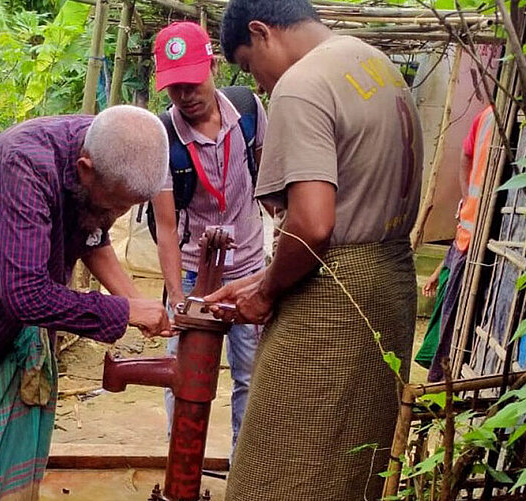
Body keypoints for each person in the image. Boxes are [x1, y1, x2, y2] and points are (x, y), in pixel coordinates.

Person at [207, 0, 423, 499]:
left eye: (246, 67)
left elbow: (313, 224)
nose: (258, 85)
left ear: (262, 33)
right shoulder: (375, 64)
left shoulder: (302, 86)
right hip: (389, 290)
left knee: (283, 466)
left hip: (332, 305)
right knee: (351, 466)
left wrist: (265, 295)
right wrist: (261, 278)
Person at [0, 106, 172, 500]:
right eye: (114, 206)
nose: (116, 215)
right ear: (85, 169)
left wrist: (136, 303)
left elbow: (94, 236)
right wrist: (122, 312)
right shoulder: (26, 164)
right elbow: (25, 294)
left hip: (29, 296)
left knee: (23, 425)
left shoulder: (107, 150)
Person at [149, 21, 268, 455]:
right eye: (174, 86)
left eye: (193, 80)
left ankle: (243, 468)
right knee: (182, 372)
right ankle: (179, 460)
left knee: (251, 375)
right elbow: (165, 225)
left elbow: (272, 187)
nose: (185, 95)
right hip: (192, 272)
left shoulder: (250, 112)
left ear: (213, 65)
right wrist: (178, 297)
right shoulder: (164, 138)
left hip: (250, 267)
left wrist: (274, 273)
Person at [416, 105, 495, 381]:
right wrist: (468, 200)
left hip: (472, 239)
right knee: (448, 324)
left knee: (452, 323)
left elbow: (466, 155)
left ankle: (442, 382)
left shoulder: (487, 115)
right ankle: (440, 383)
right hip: (469, 238)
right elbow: (466, 155)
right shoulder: (489, 117)